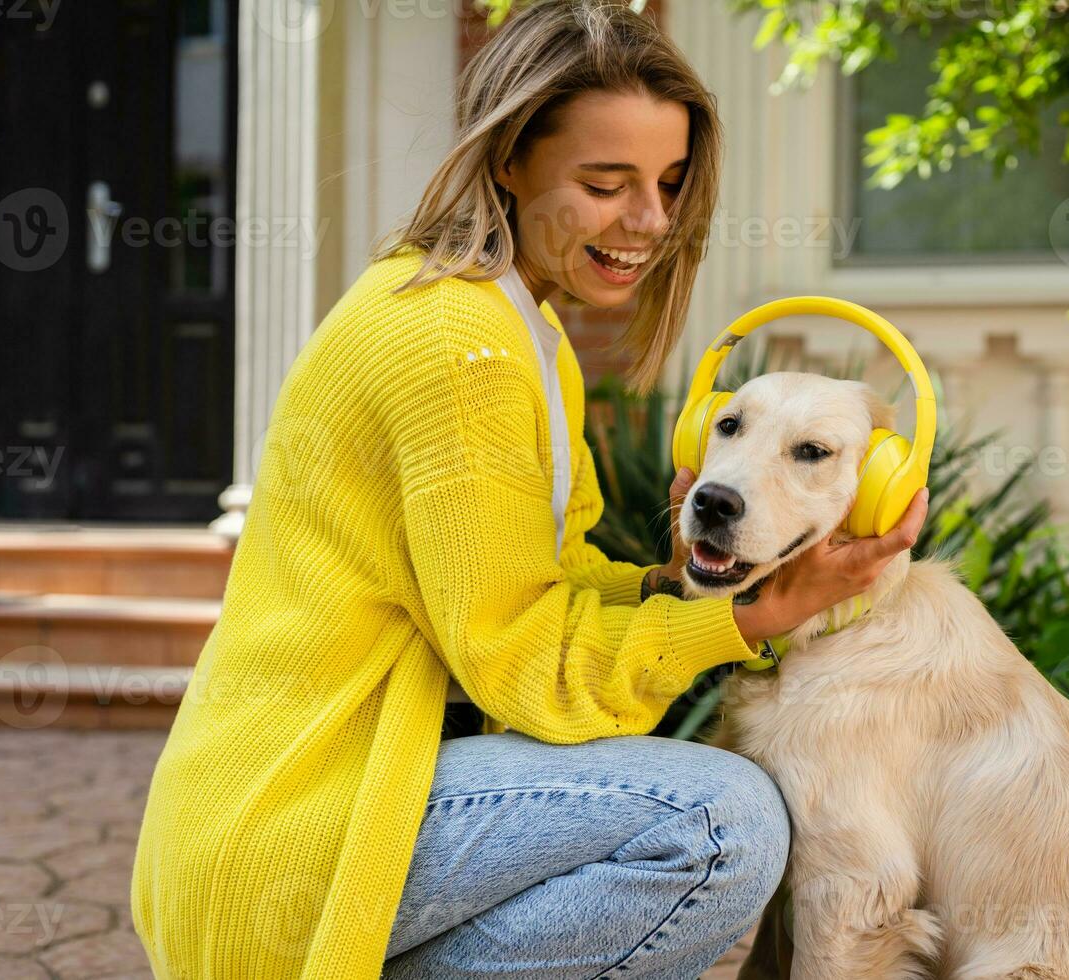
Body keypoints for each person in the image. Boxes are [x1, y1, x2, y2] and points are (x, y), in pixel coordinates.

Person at [129, 2, 929, 978]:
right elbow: (528, 670)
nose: (649, 222)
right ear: (508, 158)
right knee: (720, 821)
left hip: (340, 790)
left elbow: (547, 579)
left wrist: (679, 588)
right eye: (606, 182)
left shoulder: (514, 328)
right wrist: (746, 620)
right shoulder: (457, 345)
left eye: (669, 183)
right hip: (301, 818)